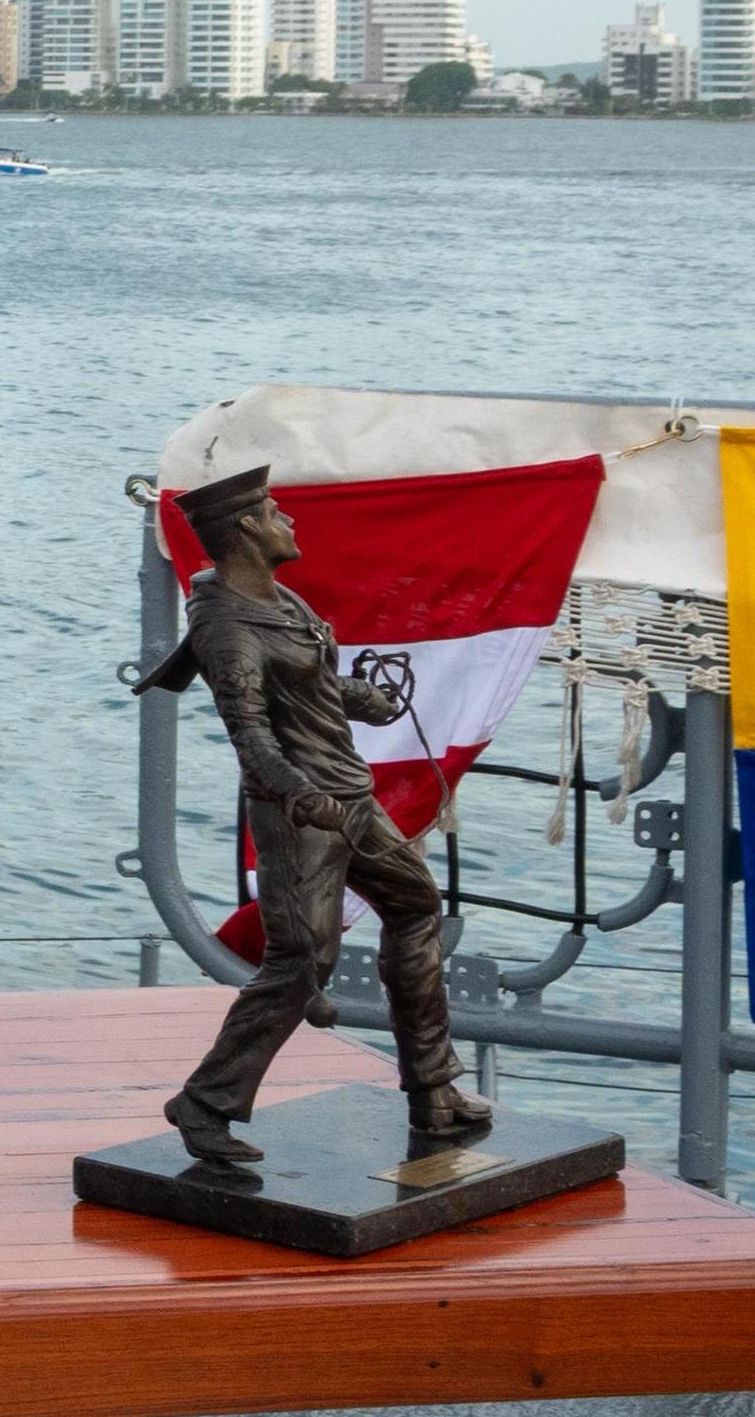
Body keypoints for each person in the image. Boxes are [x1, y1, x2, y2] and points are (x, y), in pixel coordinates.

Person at [147, 467, 493, 1155]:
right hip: (300, 814)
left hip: (350, 796)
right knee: (303, 963)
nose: (290, 520)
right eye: (276, 510)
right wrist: (299, 794)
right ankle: (204, 1102)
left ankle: (433, 1089)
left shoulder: (283, 602)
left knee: (416, 905)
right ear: (247, 527)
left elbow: (304, 685)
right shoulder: (226, 630)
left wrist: (357, 698)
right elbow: (252, 737)